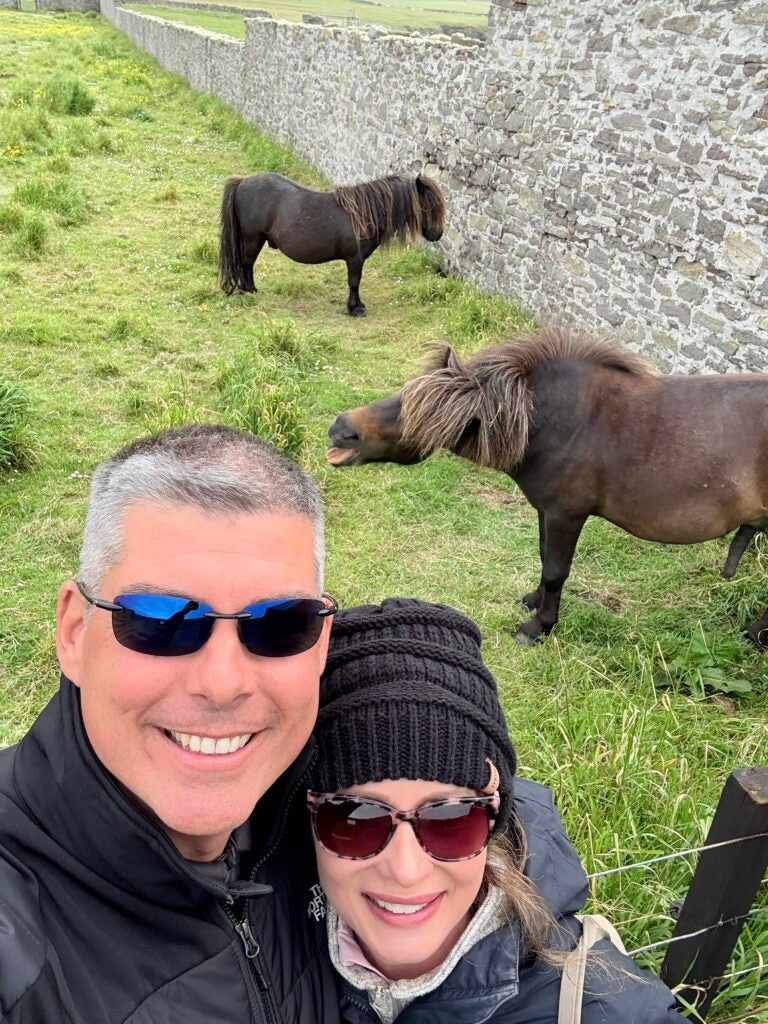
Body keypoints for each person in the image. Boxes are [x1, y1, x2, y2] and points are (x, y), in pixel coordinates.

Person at [0, 424, 342, 1023]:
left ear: (320, 646)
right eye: (163, 621)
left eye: (282, 624)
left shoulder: (342, 811)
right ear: (75, 633)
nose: (223, 683)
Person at [307, 598, 684, 1023]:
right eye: (355, 819)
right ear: (308, 813)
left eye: (451, 819)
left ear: (495, 813)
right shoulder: (254, 950)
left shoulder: (607, 1010)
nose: (406, 870)